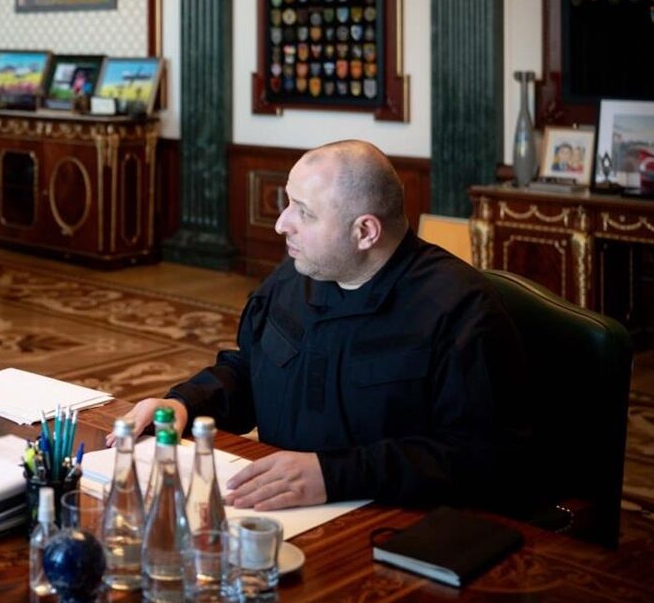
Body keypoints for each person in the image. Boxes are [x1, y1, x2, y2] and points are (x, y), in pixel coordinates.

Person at [111, 140, 527, 511]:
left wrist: (332, 475)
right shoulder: (295, 276)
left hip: (395, 522)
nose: (281, 223)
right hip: (284, 507)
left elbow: (479, 457)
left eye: (304, 213)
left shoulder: (460, 310)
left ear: (365, 231)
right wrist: (185, 404)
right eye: (288, 203)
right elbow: (252, 370)